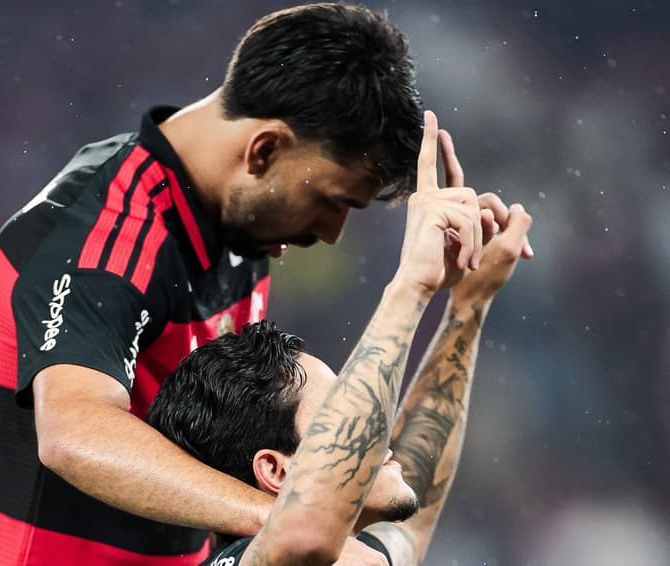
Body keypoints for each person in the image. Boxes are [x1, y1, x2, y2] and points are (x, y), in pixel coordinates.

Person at [0, 3, 528, 564]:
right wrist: (293, 525)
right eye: (330, 201)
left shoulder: (234, 228)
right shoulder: (107, 234)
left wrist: (466, 303)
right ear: (265, 148)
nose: (330, 233)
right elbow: (72, 431)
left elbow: (395, 516)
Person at [148, 164, 533, 565]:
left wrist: (467, 305)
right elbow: (302, 537)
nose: (378, 429)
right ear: (277, 471)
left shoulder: (359, 556)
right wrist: (411, 285)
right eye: (342, 411)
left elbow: (411, 517)